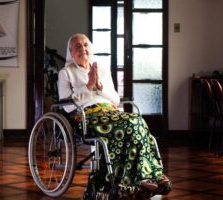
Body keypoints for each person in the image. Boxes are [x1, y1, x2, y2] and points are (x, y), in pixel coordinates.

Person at [58, 33, 172, 199]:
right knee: (126, 124)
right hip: (86, 115)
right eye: (77, 46)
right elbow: (67, 107)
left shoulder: (101, 69)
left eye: (85, 45)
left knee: (136, 122)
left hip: (110, 111)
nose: (82, 48)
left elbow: (116, 99)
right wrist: (88, 86)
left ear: (90, 48)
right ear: (70, 51)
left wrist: (100, 86)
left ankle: (145, 176)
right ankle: (118, 184)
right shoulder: (66, 73)